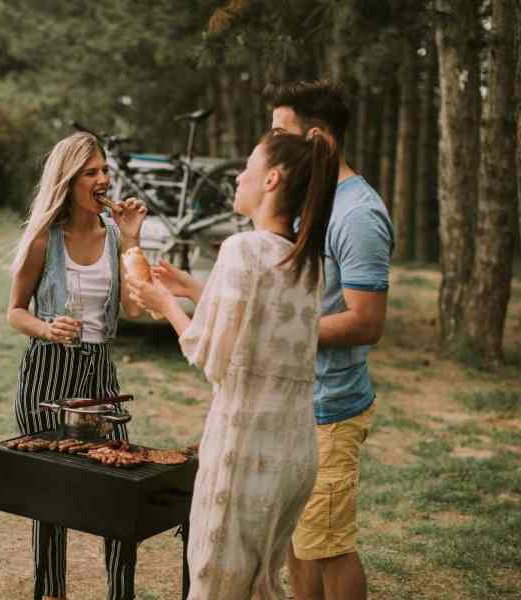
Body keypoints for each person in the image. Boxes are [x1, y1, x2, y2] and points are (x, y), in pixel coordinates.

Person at [129, 130, 339, 599]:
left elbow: (210, 354)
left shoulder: (241, 248)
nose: (239, 175)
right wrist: (192, 288)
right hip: (294, 451)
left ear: (271, 180)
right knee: (261, 585)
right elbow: (258, 326)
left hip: (245, 448)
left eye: (248, 165)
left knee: (215, 584)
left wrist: (162, 302)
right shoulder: (308, 260)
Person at [265, 80, 394, 600]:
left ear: (318, 140)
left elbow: (366, 322)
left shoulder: (357, 215)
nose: (270, 143)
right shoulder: (307, 197)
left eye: (280, 133)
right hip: (292, 400)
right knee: (298, 539)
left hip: (331, 409)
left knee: (329, 545)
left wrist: (278, 332)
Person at [7, 131, 147, 600]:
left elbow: (132, 309)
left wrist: (131, 242)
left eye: (105, 170)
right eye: (91, 172)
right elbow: (15, 312)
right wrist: (46, 328)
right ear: (69, 181)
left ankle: (120, 592)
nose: (103, 179)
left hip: (99, 373)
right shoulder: (43, 239)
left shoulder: (112, 237)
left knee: (118, 487)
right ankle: (51, 593)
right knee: (52, 495)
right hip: (47, 371)